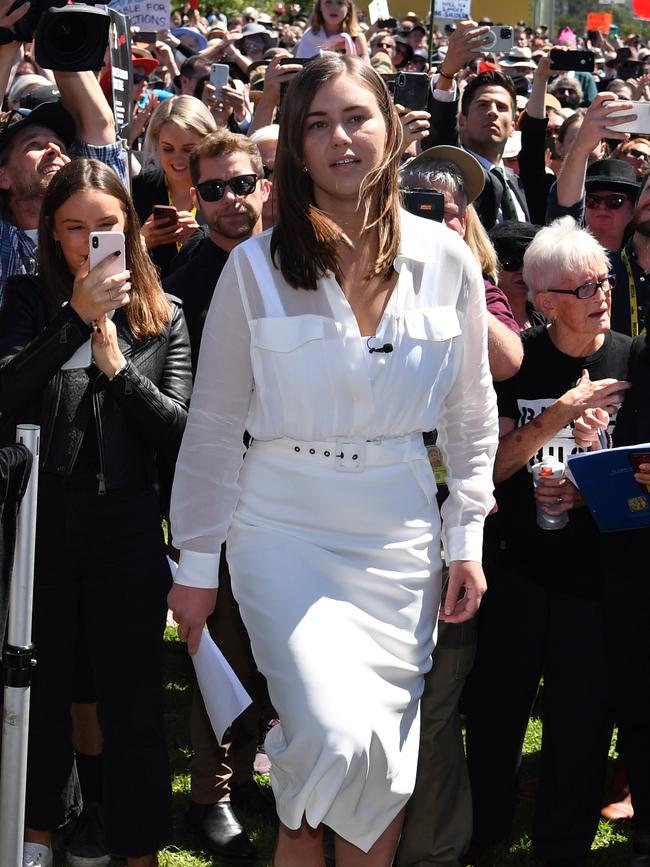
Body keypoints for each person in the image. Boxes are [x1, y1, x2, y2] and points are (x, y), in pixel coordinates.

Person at [168, 54, 498, 867]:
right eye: (317, 124)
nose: (340, 139)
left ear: (390, 129)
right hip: (282, 527)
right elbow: (211, 426)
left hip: (399, 534)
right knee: (331, 731)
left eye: (356, 118)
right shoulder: (254, 267)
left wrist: (467, 539)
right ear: (297, 150)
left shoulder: (447, 259)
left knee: (377, 761)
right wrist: (197, 563)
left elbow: (468, 413)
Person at [0, 158, 192, 867]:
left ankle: (136, 844)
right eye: (73, 227)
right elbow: (8, 391)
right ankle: (35, 835)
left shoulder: (164, 315)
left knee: (133, 697)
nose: (88, 242)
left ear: (130, 230)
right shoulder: (26, 300)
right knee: (38, 687)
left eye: (104, 226)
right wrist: (71, 322)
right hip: (41, 524)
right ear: (51, 232)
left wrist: (115, 368)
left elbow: (179, 428)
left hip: (128, 524)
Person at [465, 216, 632, 867]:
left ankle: (562, 842)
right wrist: (555, 418)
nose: (601, 293)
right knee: (498, 709)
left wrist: (593, 483)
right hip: (518, 570)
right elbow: (492, 468)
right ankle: (486, 828)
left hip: (597, 577)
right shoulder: (520, 362)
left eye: (604, 279)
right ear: (544, 301)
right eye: (583, 285)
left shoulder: (631, 359)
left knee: (581, 718)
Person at [395, 145, 522, 867]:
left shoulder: (478, 280)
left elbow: (506, 360)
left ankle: (434, 850)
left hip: (454, 529)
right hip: (372, 513)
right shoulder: (364, 271)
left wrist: (453, 265)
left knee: (438, 705)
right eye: (414, 199)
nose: (430, 211)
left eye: (446, 205)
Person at [164, 128, 272, 862]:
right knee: (222, 644)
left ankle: (264, 761)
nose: (232, 199)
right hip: (222, 485)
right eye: (214, 189)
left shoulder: (300, 258)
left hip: (301, 479)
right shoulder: (182, 281)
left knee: (279, 643)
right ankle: (213, 792)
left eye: (244, 182)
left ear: (265, 181)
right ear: (192, 197)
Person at [0, 4, 128, 303]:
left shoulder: (101, 219)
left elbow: (101, 127)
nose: (53, 149)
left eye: (59, 144)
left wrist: (61, 34)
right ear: (2, 176)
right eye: (34, 145)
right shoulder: (7, 242)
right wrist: (6, 43)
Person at [133, 95, 215, 278]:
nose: (177, 160)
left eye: (188, 150)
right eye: (168, 149)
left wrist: (200, 242)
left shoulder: (222, 191)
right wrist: (140, 242)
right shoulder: (136, 190)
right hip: (150, 301)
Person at [549, 93, 638, 252]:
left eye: (615, 201)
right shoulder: (567, 254)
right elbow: (567, 210)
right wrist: (582, 145)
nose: (602, 207)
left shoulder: (642, 262)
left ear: (633, 210)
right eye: (592, 201)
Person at [296, 0, 369, 61]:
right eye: (328, 2)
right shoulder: (309, 35)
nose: (334, 7)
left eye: (340, 2)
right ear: (320, 6)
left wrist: (335, 57)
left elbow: (366, 72)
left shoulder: (357, 37)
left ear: (348, 7)